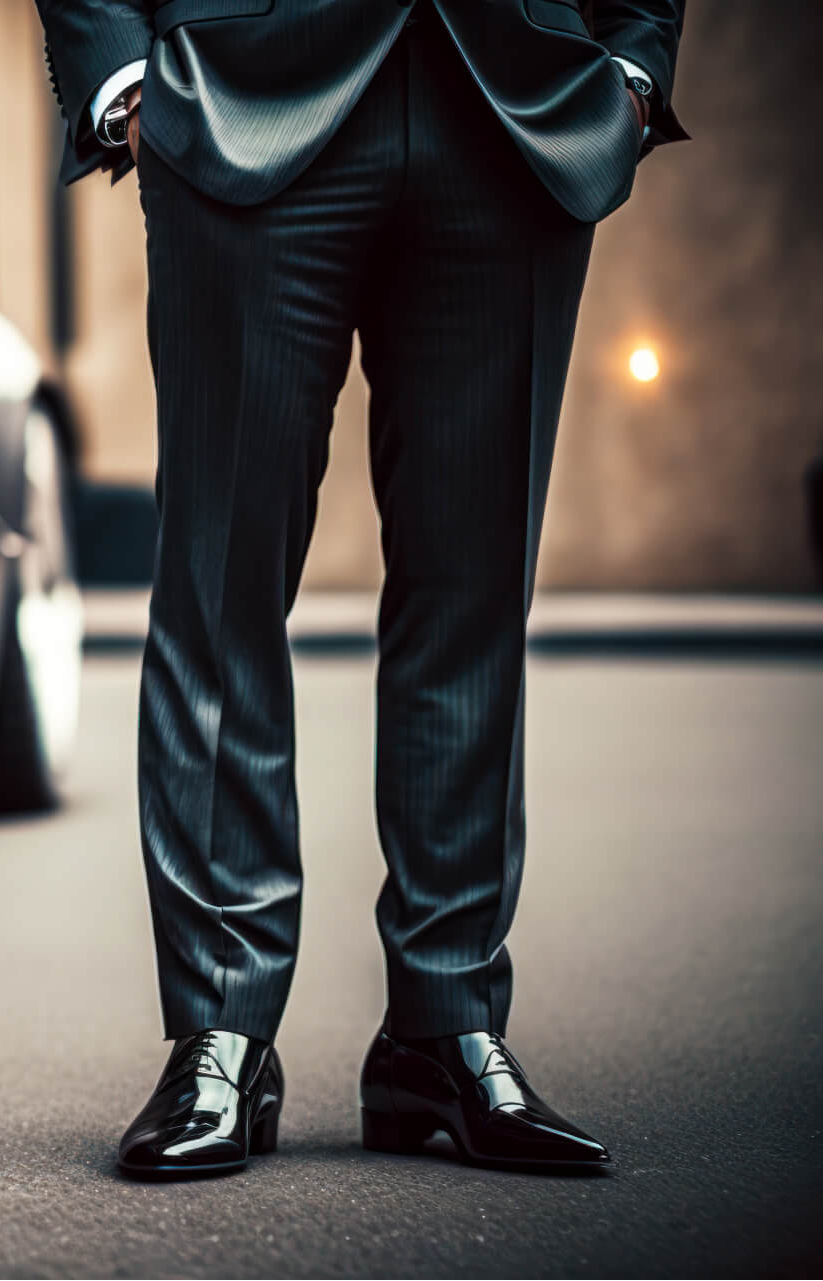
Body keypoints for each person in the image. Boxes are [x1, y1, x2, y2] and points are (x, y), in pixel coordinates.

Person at [35, 0, 686, 1177]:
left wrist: (634, 65)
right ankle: (222, 1030)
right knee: (220, 593)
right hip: (238, 95)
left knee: (475, 601)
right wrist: (121, 77)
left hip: (519, 102)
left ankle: (446, 1029)